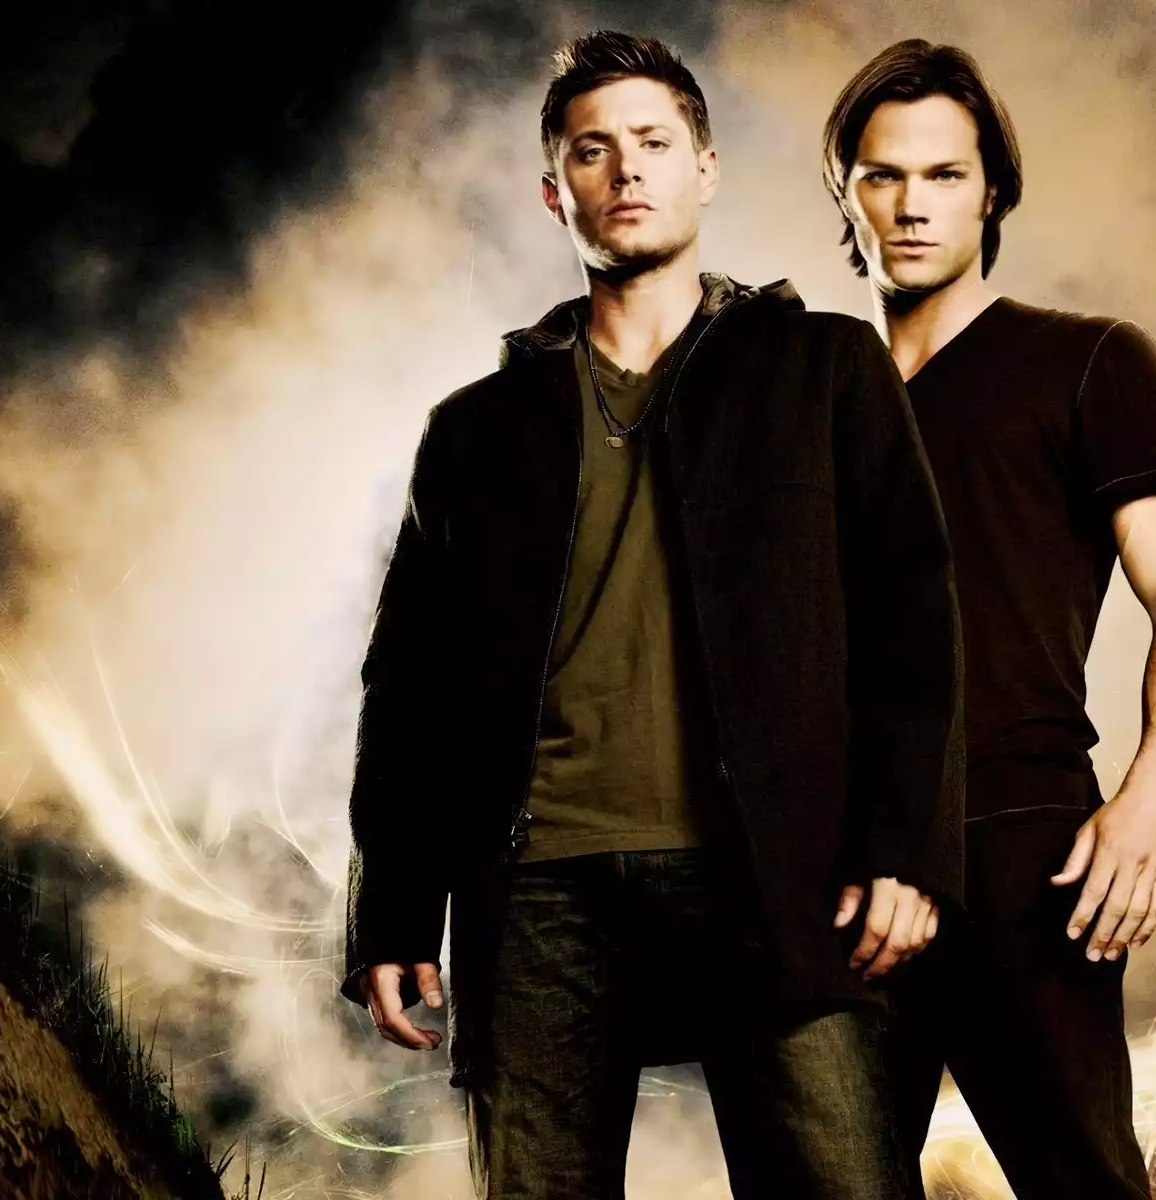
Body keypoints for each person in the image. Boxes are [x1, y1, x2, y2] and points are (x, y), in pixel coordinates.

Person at [340, 30, 964, 1200]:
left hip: (775, 875)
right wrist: (394, 911)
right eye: (592, 150)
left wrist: (902, 851)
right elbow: (409, 688)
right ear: (554, 191)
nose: (626, 169)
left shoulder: (823, 366)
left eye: (654, 143)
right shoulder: (474, 431)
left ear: (705, 169)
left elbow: (912, 626)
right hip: (539, 894)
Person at [822, 39, 1156, 1199]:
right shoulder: (812, 407)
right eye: (883, 175)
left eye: (944, 175)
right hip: (839, 866)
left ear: (992, 191)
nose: (912, 205)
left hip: (1021, 841)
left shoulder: (1087, 361)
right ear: (845, 192)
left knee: (1081, 1182)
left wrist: (1151, 799)